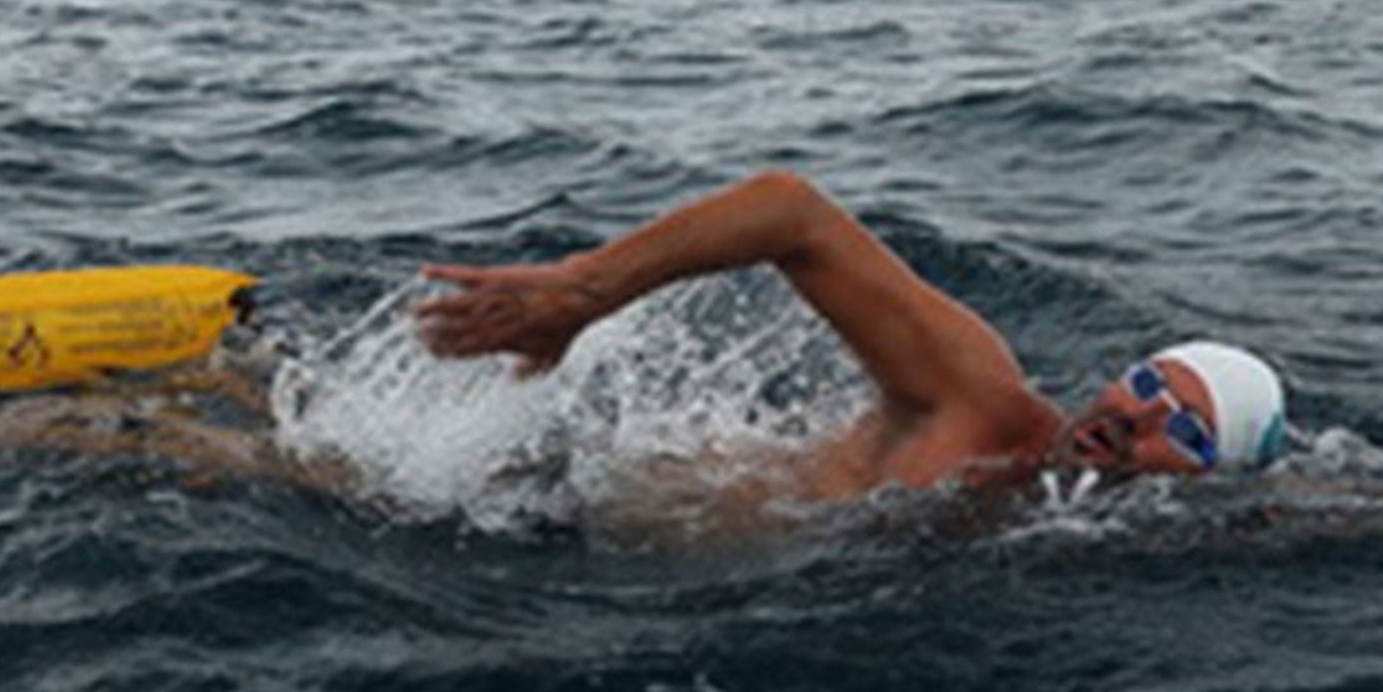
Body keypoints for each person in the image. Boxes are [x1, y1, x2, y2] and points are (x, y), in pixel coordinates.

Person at [415, 169, 1285, 502]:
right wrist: (583, 291)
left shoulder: (1106, 532)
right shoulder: (979, 406)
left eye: (1186, 426)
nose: (1135, 417)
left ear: (1216, 482)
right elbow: (793, 213)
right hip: (546, 502)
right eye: (1146, 383)